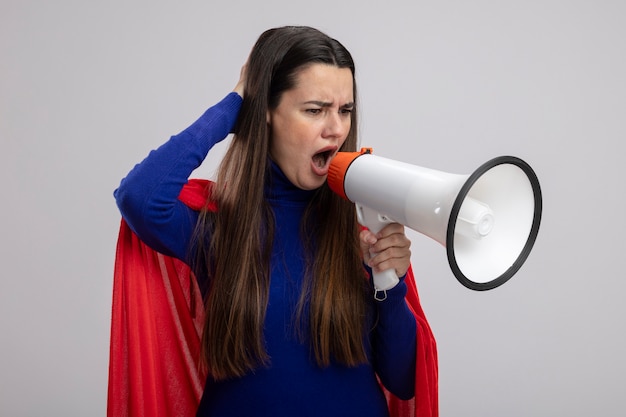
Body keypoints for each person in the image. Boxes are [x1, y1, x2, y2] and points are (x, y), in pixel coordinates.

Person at [113, 25, 437, 417]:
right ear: (266, 110)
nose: (335, 128)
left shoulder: (363, 231)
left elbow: (403, 382)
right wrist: (236, 103)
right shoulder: (217, 231)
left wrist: (389, 282)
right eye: (315, 110)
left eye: (345, 110)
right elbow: (139, 195)